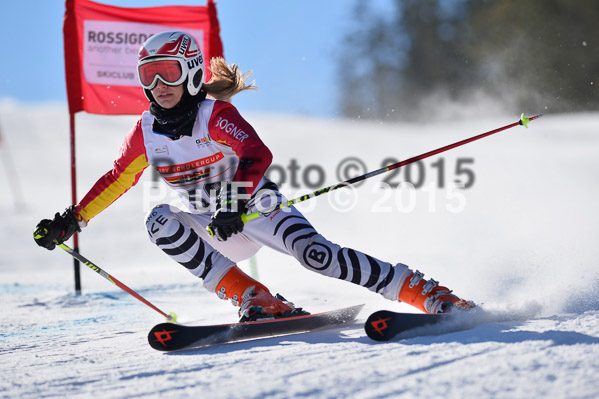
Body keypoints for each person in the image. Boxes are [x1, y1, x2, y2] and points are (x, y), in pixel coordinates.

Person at [34, 31, 474, 321]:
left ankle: (426, 292)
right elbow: (117, 178)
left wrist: (233, 201)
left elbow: (255, 152)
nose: (158, 84)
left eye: (167, 71)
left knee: (318, 257)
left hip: (256, 209)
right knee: (159, 221)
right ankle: (255, 297)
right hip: (214, 225)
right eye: (148, 75)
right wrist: (73, 220)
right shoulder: (147, 131)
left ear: (189, 72)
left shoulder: (215, 113)